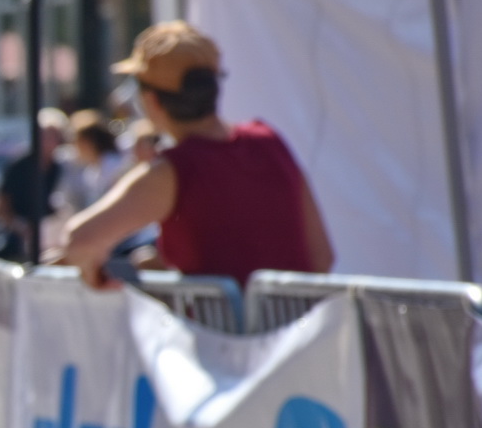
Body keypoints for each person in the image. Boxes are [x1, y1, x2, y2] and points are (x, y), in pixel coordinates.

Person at [55, 21, 334, 287]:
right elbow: (322, 256)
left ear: (151, 100)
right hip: (300, 333)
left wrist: (98, 276)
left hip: (218, 336)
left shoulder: (173, 170)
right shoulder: (270, 142)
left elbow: (80, 241)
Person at [0, 107, 66, 262]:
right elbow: (2, 207)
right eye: (44, 136)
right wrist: (20, 228)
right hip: (21, 234)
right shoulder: (19, 166)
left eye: (53, 136)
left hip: (54, 235)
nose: (49, 141)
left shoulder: (62, 166)